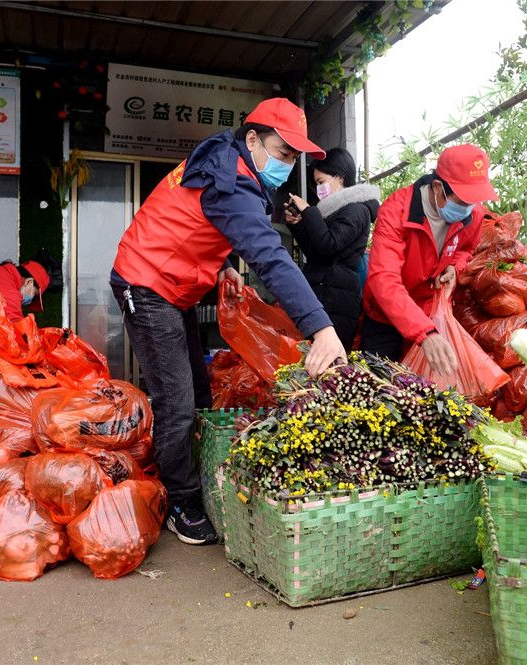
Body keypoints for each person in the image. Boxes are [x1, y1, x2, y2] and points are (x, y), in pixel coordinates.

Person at [110, 97, 347, 545]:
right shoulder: (231, 180)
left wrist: (222, 266)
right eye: (282, 154)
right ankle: (180, 501)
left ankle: (191, 475)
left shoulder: (228, 158)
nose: (286, 165)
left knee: (199, 391)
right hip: (145, 282)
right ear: (252, 138)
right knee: (176, 401)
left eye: (293, 158)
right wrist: (321, 328)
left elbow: (194, 220)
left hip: (174, 282)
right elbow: (272, 257)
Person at [361, 144, 498, 375]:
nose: (469, 208)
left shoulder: (472, 214)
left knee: (426, 392)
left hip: (429, 311)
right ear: (437, 187)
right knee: (378, 384)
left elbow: (466, 249)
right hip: (385, 315)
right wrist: (424, 333)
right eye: (463, 200)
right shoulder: (396, 211)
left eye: (473, 201)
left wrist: (456, 266)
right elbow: (383, 279)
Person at [283, 147, 379, 350]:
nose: (319, 189)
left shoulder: (357, 210)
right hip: (324, 291)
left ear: (341, 178)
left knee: (329, 361)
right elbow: (315, 252)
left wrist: (309, 211)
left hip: (338, 298)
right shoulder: (333, 210)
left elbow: (328, 246)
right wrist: (298, 225)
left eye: (321, 182)